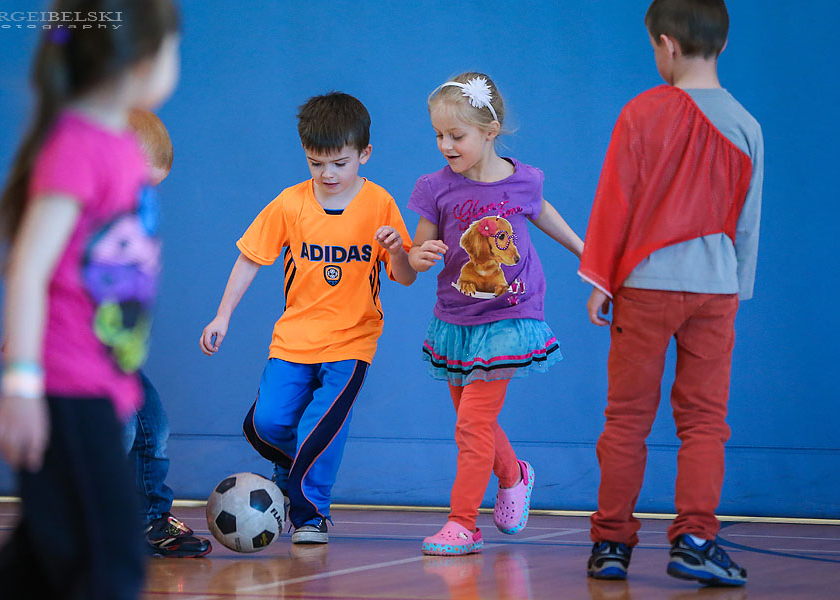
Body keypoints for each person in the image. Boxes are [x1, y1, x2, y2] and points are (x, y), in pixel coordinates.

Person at [0, 0, 179, 597]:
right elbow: (29, 271)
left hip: (100, 383)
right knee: (111, 562)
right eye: (173, 49)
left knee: (42, 554)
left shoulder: (120, 151)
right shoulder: (78, 147)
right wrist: (21, 385)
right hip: (65, 388)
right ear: (140, 61)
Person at [580, 0, 763, 587]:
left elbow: (616, 200)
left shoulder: (641, 113)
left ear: (668, 45)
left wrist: (600, 278)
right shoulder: (747, 124)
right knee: (705, 421)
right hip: (715, 291)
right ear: (724, 46)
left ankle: (611, 545)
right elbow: (747, 223)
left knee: (627, 419)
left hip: (645, 289)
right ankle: (696, 539)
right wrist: (737, 289)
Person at [199, 92, 416, 544]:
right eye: (317, 163)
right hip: (295, 339)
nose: (328, 174)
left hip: (353, 341)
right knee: (267, 424)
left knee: (321, 427)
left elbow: (405, 277)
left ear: (364, 155)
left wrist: (397, 249)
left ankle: (310, 514)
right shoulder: (290, 203)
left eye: (339, 162)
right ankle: (291, 470)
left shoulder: (379, 204)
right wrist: (222, 316)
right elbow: (249, 259)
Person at [408, 72, 584, 556]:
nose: (445, 144)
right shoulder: (434, 188)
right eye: (439, 135)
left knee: (471, 426)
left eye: (456, 135)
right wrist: (414, 255)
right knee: (472, 419)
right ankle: (514, 474)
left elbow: (542, 212)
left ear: (490, 132)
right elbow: (416, 256)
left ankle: (463, 523)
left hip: (510, 316)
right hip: (456, 320)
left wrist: (583, 250)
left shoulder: (523, 179)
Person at [124, 109, 210, 558]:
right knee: (112, 435)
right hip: (76, 357)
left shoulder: (132, 221)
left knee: (152, 427)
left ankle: (149, 520)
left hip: (115, 355)